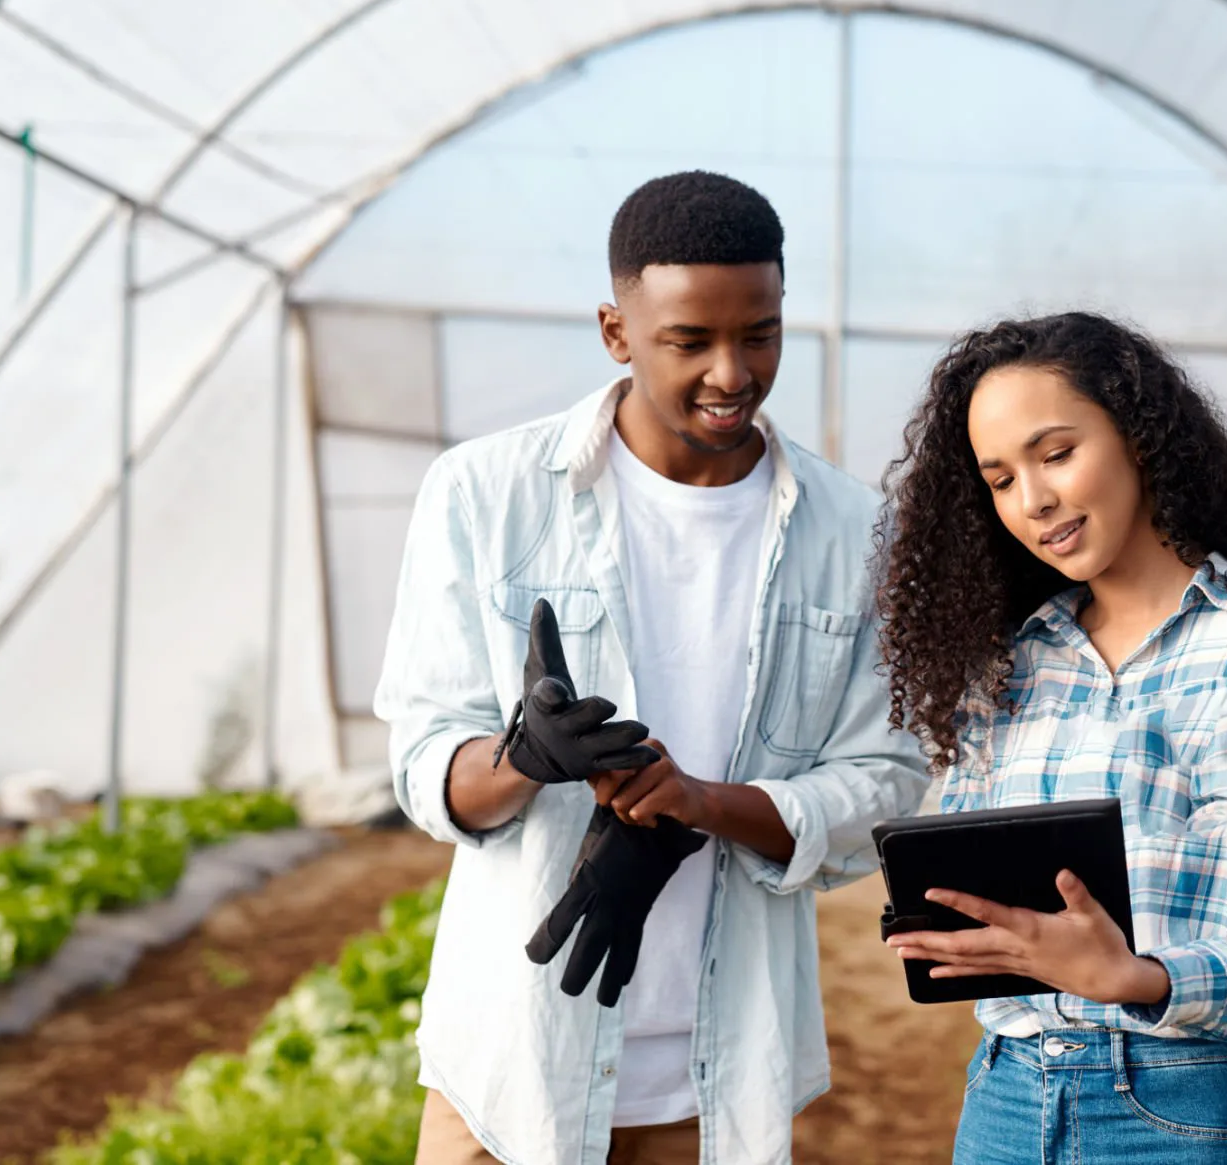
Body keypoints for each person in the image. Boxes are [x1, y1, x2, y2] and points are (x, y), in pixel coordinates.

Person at [374, 170, 929, 1165]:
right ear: (614, 330)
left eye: (758, 334)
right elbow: (423, 762)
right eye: (688, 341)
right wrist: (520, 759)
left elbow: (885, 781)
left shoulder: (854, 534)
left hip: (720, 1086)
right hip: (511, 1073)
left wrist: (703, 806)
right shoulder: (484, 494)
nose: (730, 373)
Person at [874, 312, 1227, 1164]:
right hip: (1005, 1098)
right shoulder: (1011, 666)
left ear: (1139, 438)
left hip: (1181, 1105)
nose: (1033, 501)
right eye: (999, 479)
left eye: (1056, 453)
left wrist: (1140, 977)